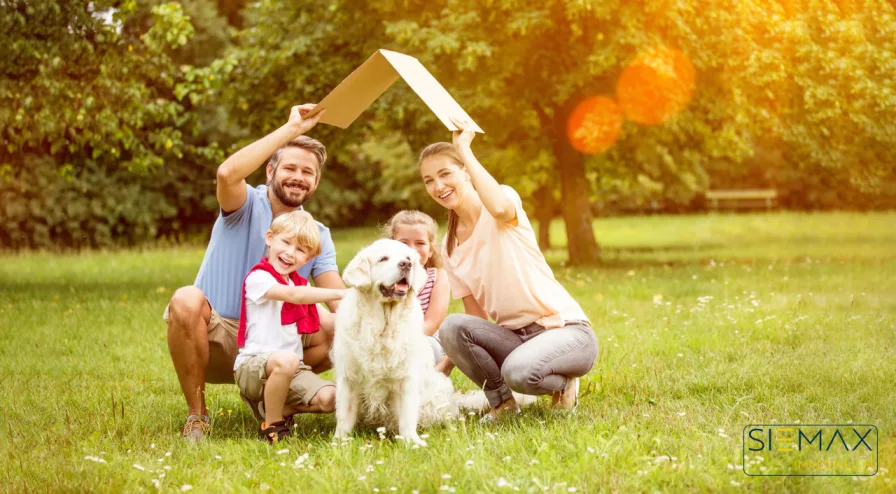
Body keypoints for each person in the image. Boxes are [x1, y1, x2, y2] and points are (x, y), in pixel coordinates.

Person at [164, 104, 346, 441]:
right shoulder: (244, 204)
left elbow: (341, 303)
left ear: (316, 181)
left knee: (340, 330)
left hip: (277, 344)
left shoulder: (316, 233)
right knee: (185, 299)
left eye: (308, 172)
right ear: (270, 172)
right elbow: (226, 174)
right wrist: (292, 129)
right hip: (218, 337)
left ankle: (274, 403)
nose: (298, 177)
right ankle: (197, 416)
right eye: (289, 168)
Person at [419, 117, 598, 422]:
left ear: (465, 171)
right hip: (515, 339)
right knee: (451, 326)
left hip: (566, 331)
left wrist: (464, 148)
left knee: (519, 372)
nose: (438, 186)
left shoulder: (501, 203)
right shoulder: (449, 245)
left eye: (445, 174)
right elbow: (475, 319)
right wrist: (442, 370)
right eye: (428, 180)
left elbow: (500, 208)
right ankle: (502, 405)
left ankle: (564, 383)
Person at [235, 210, 346, 443]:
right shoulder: (259, 278)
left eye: (301, 250)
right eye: (285, 242)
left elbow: (331, 322)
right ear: (269, 238)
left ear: (307, 259)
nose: (290, 253)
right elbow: (294, 295)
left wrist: (370, 314)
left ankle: (275, 406)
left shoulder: (299, 283)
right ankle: (272, 425)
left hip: (292, 370)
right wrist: (342, 292)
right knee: (287, 359)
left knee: (332, 398)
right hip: (252, 368)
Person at [382, 210, 452, 374]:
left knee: (425, 348)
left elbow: (431, 323)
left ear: (431, 249)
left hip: (421, 341)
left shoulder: (438, 277)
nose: (411, 250)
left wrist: (397, 342)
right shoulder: (381, 279)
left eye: (420, 243)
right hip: (383, 342)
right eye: (404, 243)